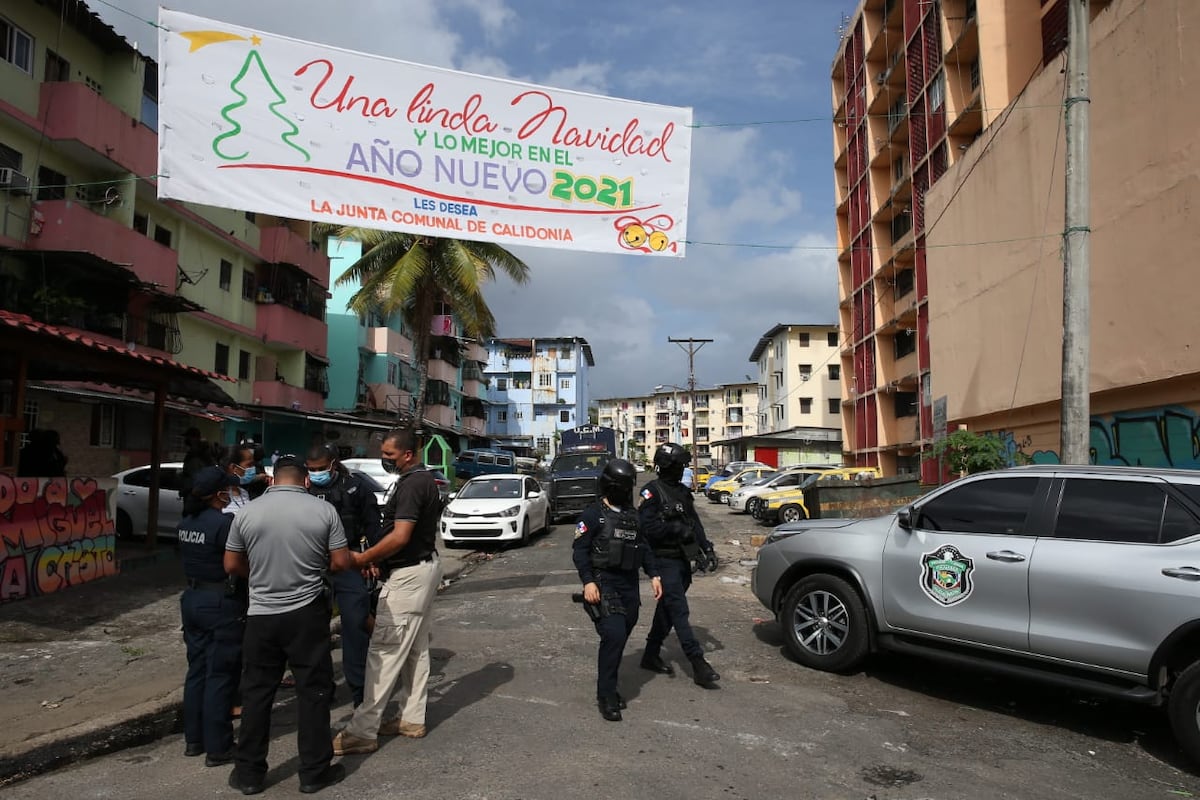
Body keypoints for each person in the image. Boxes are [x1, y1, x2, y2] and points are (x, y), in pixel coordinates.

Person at [223, 455, 353, 795]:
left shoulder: (247, 512)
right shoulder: (323, 511)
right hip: (306, 613)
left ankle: (249, 774)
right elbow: (341, 561)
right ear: (306, 480)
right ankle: (313, 773)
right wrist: (315, 570)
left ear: (273, 480)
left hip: (261, 614)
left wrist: (259, 579)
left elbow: (231, 563)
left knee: (257, 693)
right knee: (314, 692)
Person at [332, 427, 443, 756]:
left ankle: (362, 731)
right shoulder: (420, 480)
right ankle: (411, 718)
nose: (385, 461)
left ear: (407, 455)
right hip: (417, 569)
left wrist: (364, 558)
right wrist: (378, 560)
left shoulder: (413, 484)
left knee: (384, 652)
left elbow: (401, 535)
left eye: (389, 456)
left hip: (409, 578)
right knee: (414, 651)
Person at [572, 458, 662, 721]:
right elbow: (580, 551)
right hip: (603, 581)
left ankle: (609, 684)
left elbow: (644, 548)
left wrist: (654, 574)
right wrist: (588, 581)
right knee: (613, 634)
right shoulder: (593, 514)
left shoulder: (633, 516)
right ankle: (606, 694)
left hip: (629, 585)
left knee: (622, 635)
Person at [637, 442, 721, 688]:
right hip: (664, 561)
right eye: (679, 465)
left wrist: (707, 548)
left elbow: (694, 523)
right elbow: (646, 529)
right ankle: (698, 663)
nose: (682, 469)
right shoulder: (651, 492)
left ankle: (650, 654)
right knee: (679, 611)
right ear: (666, 466)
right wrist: (673, 528)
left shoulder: (683, 493)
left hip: (683, 560)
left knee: (668, 610)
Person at [305, 442, 381, 707]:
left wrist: (372, 557)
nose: (316, 474)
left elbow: (373, 526)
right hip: (314, 566)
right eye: (311, 469)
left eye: (320, 468)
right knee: (314, 631)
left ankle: (359, 691)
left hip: (349, 561)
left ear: (333, 464)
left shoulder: (355, 488)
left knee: (355, 624)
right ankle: (322, 689)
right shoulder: (303, 490)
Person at [178, 466, 244, 767]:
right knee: (220, 674)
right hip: (219, 601)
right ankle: (218, 746)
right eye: (228, 490)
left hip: (191, 599)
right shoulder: (223, 523)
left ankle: (194, 740)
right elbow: (235, 564)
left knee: (197, 671)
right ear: (219, 493)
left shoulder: (186, 521)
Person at [180, 428, 215, 499]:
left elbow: (195, 475)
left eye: (187, 437)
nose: (186, 439)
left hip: (196, 494)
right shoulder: (196, 452)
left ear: (194, 438)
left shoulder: (198, 454)